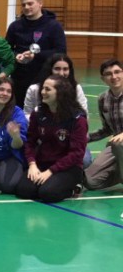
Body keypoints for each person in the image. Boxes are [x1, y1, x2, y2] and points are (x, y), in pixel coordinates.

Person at [16, 75, 87, 203]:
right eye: (43, 88)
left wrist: (50, 172)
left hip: (68, 167)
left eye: (48, 89)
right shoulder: (38, 114)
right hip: (43, 163)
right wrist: (32, 164)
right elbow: (30, 142)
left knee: (48, 193)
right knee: (24, 190)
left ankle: (76, 185)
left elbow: (76, 154)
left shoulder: (78, 119)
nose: (42, 92)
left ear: (60, 93)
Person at [6, 0, 67, 106]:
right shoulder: (15, 26)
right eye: (23, 5)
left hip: (45, 79)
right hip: (20, 78)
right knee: (21, 110)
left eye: (30, 3)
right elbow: (7, 50)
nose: (26, 7)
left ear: (40, 3)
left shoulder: (54, 26)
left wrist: (36, 55)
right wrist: (15, 56)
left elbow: (61, 52)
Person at [85, 59, 123, 191]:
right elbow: (106, 129)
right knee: (90, 181)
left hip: (119, 143)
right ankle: (120, 174)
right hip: (116, 146)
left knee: (119, 144)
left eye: (117, 72)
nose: (114, 77)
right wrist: (83, 138)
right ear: (103, 78)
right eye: (109, 74)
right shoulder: (103, 99)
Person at [22, 54, 88, 118]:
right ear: (50, 70)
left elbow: (84, 114)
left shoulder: (76, 88)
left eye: (65, 69)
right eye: (57, 69)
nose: (61, 73)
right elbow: (27, 115)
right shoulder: (34, 89)